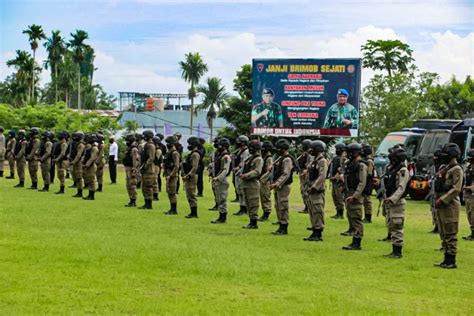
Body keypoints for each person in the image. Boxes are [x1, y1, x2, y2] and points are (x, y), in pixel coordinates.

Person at [434, 143, 463, 269]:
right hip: (441, 202)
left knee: (450, 231)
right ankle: (446, 258)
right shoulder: (446, 168)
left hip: (450, 204)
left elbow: (456, 189)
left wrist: (443, 199)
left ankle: (451, 259)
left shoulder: (457, 169)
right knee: (443, 231)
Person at [382, 147, 409, 258]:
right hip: (390, 200)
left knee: (397, 225)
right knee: (391, 225)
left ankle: (397, 252)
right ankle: (394, 250)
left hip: (397, 202)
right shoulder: (392, 169)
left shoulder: (403, 170)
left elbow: (401, 187)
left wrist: (393, 198)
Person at [342, 143, 367, 250]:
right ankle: (354, 239)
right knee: (351, 216)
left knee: (356, 217)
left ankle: (357, 241)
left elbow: (362, 182)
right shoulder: (350, 163)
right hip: (349, 192)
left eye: (349, 152)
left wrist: (355, 196)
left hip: (356, 194)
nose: (347, 154)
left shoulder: (361, 165)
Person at [304, 140, 329, 241]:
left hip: (317, 190)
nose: (310, 151)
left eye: (312, 149)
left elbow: (322, 176)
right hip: (311, 189)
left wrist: (314, 187)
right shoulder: (314, 160)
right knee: (312, 211)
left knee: (317, 211)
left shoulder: (322, 161)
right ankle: (314, 230)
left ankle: (318, 233)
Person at [270, 138, 294, 235]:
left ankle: (284, 227)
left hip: (283, 186)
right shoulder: (280, 158)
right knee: (278, 205)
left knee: (283, 206)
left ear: (284, 149)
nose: (277, 150)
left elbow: (286, 174)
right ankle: (280, 225)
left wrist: (277, 183)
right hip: (278, 186)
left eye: (279, 148)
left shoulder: (287, 159)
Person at [241, 139, 264, 229]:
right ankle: (251, 221)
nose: (250, 149)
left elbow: (257, 171)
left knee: (253, 203)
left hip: (253, 183)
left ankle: (254, 223)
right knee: (248, 203)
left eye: (252, 148)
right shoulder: (249, 158)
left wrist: (246, 175)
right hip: (246, 183)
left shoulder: (258, 159)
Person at [210, 138, 232, 224]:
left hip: (222, 180)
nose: (218, 147)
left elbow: (225, 170)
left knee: (222, 199)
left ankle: (223, 218)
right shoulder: (220, 155)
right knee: (219, 198)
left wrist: (218, 178)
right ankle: (220, 216)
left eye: (220, 145)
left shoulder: (226, 156)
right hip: (218, 179)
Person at [182, 137, 201, 218]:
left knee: (191, 194)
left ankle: (194, 213)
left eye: (190, 144)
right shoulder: (192, 153)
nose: (189, 145)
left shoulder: (195, 154)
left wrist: (188, 175)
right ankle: (192, 212)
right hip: (189, 176)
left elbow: (194, 167)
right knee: (189, 194)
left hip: (192, 176)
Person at [138, 130, 156, 209]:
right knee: (144, 187)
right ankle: (146, 203)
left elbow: (151, 158)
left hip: (149, 170)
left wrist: (144, 166)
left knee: (148, 187)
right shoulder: (146, 145)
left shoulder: (151, 146)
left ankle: (149, 204)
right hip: (145, 169)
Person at [163, 136, 180, 215]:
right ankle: (171, 208)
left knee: (172, 192)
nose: (167, 144)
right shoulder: (169, 152)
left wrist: (171, 174)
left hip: (173, 175)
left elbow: (176, 166)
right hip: (168, 174)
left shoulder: (175, 153)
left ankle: (174, 210)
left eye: (169, 143)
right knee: (169, 192)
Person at [233, 135, 250, 216]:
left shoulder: (246, 151)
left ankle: (244, 209)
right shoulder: (239, 151)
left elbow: (244, 163)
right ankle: (241, 207)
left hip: (242, 173)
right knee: (239, 191)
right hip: (237, 174)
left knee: (243, 191)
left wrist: (237, 168)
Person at [258, 141, 273, 222]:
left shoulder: (269, 158)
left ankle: (266, 214)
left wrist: (262, 179)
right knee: (262, 196)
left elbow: (269, 170)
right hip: (262, 180)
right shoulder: (264, 156)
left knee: (265, 197)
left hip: (265, 181)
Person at [330, 143, 346, 219]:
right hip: (334, 180)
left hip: (339, 181)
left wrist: (335, 177)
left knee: (339, 197)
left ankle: (340, 213)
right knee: (334, 196)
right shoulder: (336, 158)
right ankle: (337, 212)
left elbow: (341, 169)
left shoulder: (343, 159)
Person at [123, 134, 140, 207]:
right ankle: (131, 200)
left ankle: (133, 200)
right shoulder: (129, 148)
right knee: (128, 185)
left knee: (132, 185)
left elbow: (135, 161)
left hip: (131, 168)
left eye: (127, 140)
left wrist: (134, 170)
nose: (126, 142)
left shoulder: (134, 149)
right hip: (128, 168)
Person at [297, 139, 313, 214]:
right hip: (302, 174)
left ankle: (308, 207)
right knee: (303, 190)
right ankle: (306, 206)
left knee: (306, 190)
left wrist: (306, 171)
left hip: (306, 175)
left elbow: (310, 165)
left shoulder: (310, 155)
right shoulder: (303, 154)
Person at [82, 134, 99, 200]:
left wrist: (86, 165)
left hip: (91, 165)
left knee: (92, 180)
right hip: (89, 165)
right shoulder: (90, 147)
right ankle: (89, 194)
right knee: (89, 179)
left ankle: (91, 195)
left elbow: (92, 158)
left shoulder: (94, 148)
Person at [462, 149, 474, 241]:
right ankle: (472, 232)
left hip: (472, 194)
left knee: (473, 214)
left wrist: (470, 188)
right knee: (469, 214)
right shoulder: (469, 167)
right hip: (468, 195)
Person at [361, 143, 374, 223]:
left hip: (368, 182)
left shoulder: (369, 161)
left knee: (367, 200)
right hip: (365, 181)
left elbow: (369, 174)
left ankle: (368, 217)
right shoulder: (365, 160)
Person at [71, 131, 85, 198]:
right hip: (76, 161)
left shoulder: (81, 145)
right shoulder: (76, 144)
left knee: (79, 177)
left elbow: (79, 155)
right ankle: (78, 191)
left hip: (78, 162)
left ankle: (80, 192)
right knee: (76, 176)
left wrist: (74, 161)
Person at [208, 137, 221, 211]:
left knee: (218, 190)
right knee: (214, 189)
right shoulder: (215, 152)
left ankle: (219, 205)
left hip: (218, 174)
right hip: (214, 173)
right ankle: (217, 204)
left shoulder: (222, 153)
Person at [151, 136, 163, 201]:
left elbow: (156, 159)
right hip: (153, 166)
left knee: (154, 180)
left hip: (156, 166)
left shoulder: (158, 150)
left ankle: (155, 195)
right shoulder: (155, 149)